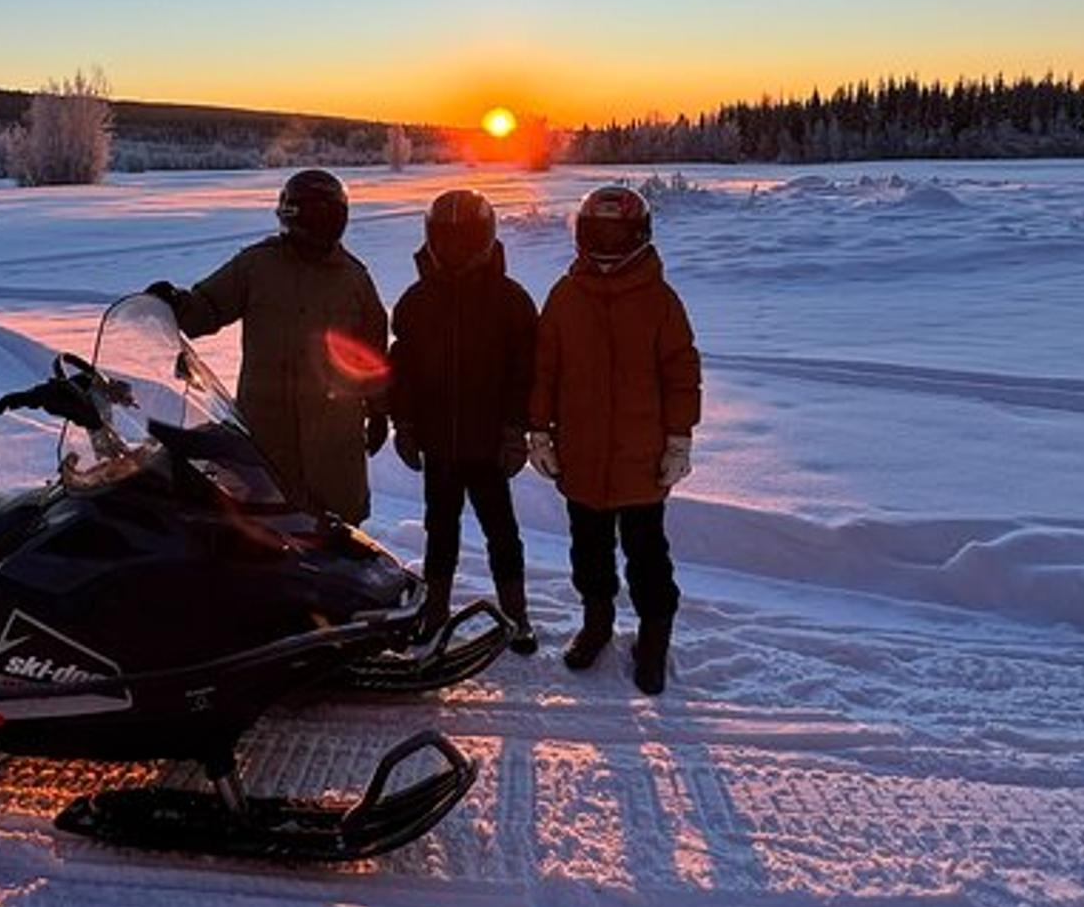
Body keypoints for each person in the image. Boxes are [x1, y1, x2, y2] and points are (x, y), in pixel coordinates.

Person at [527, 185, 701, 695]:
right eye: (596, 232)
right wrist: (539, 430)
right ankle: (597, 624)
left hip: (642, 460)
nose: (605, 244)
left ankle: (654, 638)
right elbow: (544, 370)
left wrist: (679, 439)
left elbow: (681, 374)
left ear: (639, 235)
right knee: (589, 552)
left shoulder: (660, 301)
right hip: (580, 455)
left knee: (648, 556)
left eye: (615, 234)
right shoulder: (565, 296)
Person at [147, 169, 389, 523]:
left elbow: (373, 355)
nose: (322, 222)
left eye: (330, 213)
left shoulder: (354, 279)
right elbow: (208, 308)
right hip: (267, 432)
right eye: (315, 213)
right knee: (263, 526)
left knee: (337, 533)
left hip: (334, 439)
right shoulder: (256, 265)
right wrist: (175, 304)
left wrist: (380, 410)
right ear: (294, 214)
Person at [388, 189, 540, 655]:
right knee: (440, 530)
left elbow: (525, 373)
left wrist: (516, 430)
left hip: (490, 444)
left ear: (486, 239)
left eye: (465, 239)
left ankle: (516, 615)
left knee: (502, 532)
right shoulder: (416, 302)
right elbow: (402, 370)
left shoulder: (511, 301)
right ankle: (435, 610)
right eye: (446, 238)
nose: (454, 248)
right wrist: (404, 423)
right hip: (439, 444)